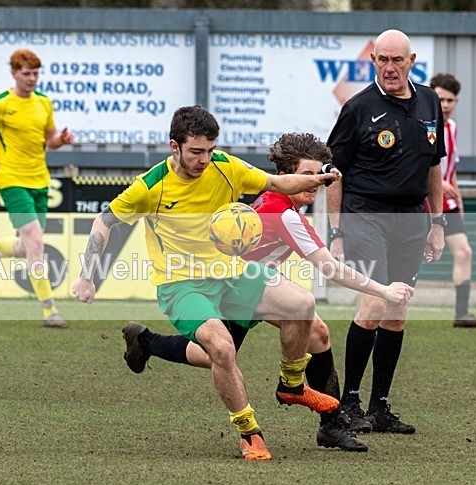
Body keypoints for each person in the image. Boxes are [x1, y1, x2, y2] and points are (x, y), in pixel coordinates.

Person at [73, 106, 343, 461]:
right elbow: (105, 222)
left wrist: (317, 180)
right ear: (175, 147)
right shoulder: (150, 186)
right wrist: (87, 275)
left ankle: (292, 384)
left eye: (210, 150)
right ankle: (250, 433)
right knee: (222, 348)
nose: (204, 160)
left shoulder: (225, 167)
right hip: (181, 285)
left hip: (231, 274)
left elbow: (277, 183)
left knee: (303, 306)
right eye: (196, 152)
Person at [121, 133, 415, 453]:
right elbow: (329, 268)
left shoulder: (274, 200)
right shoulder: (285, 213)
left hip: (249, 285)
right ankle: (148, 342)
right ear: (287, 177)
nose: (315, 182)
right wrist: (383, 290)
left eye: (319, 174)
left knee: (315, 334)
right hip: (231, 288)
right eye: (307, 176)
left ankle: (331, 423)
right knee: (216, 355)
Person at [326, 29, 446, 434]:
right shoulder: (358, 108)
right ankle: (349, 403)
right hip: (366, 216)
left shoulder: (430, 101)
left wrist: (437, 223)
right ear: (373, 60)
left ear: (412, 61)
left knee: (397, 312)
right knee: (374, 305)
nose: (390, 68)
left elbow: (434, 167)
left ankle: (380, 407)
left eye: (398, 60)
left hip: (412, 219)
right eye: (382, 60)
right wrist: (336, 231)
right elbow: (333, 173)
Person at [0, 49, 74, 328]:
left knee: (27, 246)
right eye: (27, 74)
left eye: (36, 73)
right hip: (12, 181)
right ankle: (50, 310)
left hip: (40, 181)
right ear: (14, 73)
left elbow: (50, 140)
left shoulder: (44, 103)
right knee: (37, 242)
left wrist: (61, 139)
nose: (32, 78)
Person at [429, 73, 476, 329]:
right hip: (420, 203)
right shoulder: (422, 125)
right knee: (400, 258)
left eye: (450, 100)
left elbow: (451, 169)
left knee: (464, 252)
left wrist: (457, 197)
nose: (444, 104)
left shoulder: (452, 128)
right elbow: (414, 166)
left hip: (446, 204)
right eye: (440, 98)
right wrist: (437, 183)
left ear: (456, 102)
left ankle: (462, 313)